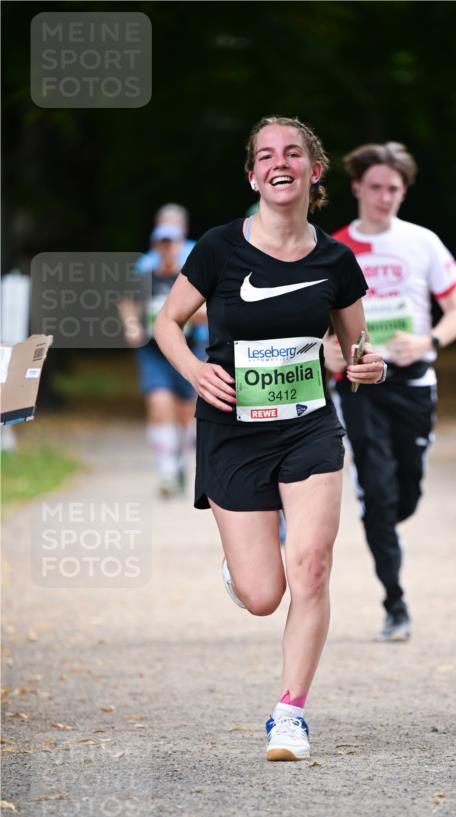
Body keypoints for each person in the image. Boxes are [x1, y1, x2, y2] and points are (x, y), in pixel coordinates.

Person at [153, 116, 385, 761]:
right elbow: (167, 324)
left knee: (311, 566)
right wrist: (196, 371)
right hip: (232, 432)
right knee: (264, 595)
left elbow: (354, 351)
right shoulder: (222, 248)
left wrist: (369, 365)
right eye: (265, 155)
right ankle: (243, 566)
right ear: (253, 174)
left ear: (314, 170)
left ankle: (290, 714)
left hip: (309, 427)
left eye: (293, 153)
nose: (279, 163)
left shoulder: (338, 260)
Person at [324, 141, 456, 642]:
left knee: (405, 492)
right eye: (375, 188)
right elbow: (317, 327)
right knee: (378, 495)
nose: (384, 198)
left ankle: (392, 508)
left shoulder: (422, 242)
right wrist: (328, 351)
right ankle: (395, 602)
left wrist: (427, 341)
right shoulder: (334, 248)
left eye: (393, 189)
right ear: (357, 188)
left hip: (413, 384)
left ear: (403, 192)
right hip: (359, 387)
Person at [120, 225, 208, 497]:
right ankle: (167, 473)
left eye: (172, 243)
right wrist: (132, 325)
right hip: (152, 352)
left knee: (187, 416)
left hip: (186, 350)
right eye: (163, 244)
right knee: (158, 404)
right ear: (156, 247)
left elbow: (207, 311)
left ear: (181, 246)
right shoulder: (145, 277)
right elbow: (127, 303)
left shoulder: (189, 278)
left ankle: (181, 461)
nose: (167, 249)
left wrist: (180, 318)